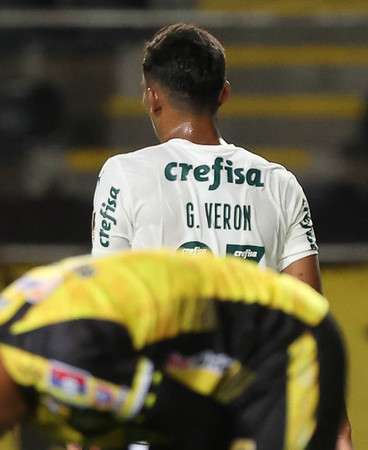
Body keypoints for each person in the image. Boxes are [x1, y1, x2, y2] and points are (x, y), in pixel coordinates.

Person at [90, 24, 352, 447]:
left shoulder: (124, 174)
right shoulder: (278, 183)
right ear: (223, 94)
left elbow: (103, 307)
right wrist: (337, 428)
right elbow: (309, 320)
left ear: (152, 96)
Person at [0, 251, 347, 450]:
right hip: (225, 362)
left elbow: (198, 425)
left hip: (281, 339)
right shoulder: (4, 332)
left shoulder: (58, 354)